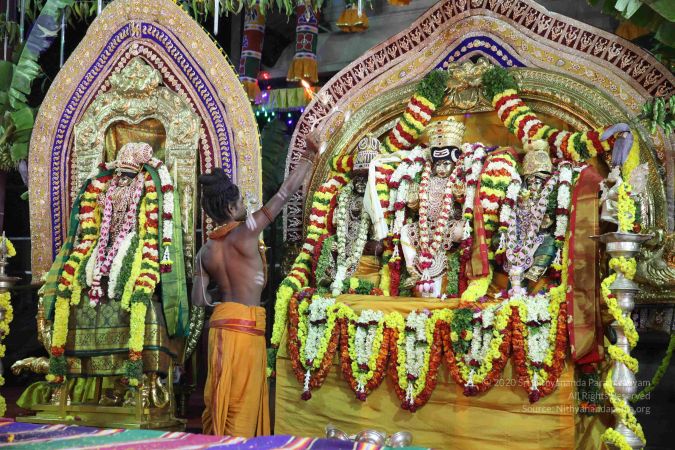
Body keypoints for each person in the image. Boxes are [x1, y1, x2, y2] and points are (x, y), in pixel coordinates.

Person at [193, 131, 321, 437]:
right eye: (240, 202)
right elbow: (284, 195)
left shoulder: (204, 252)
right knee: (242, 405)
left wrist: (225, 298)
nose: (244, 206)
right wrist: (308, 156)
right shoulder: (247, 231)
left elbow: (199, 300)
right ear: (230, 209)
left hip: (220, 328)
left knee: (222, 397)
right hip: (246, 330)